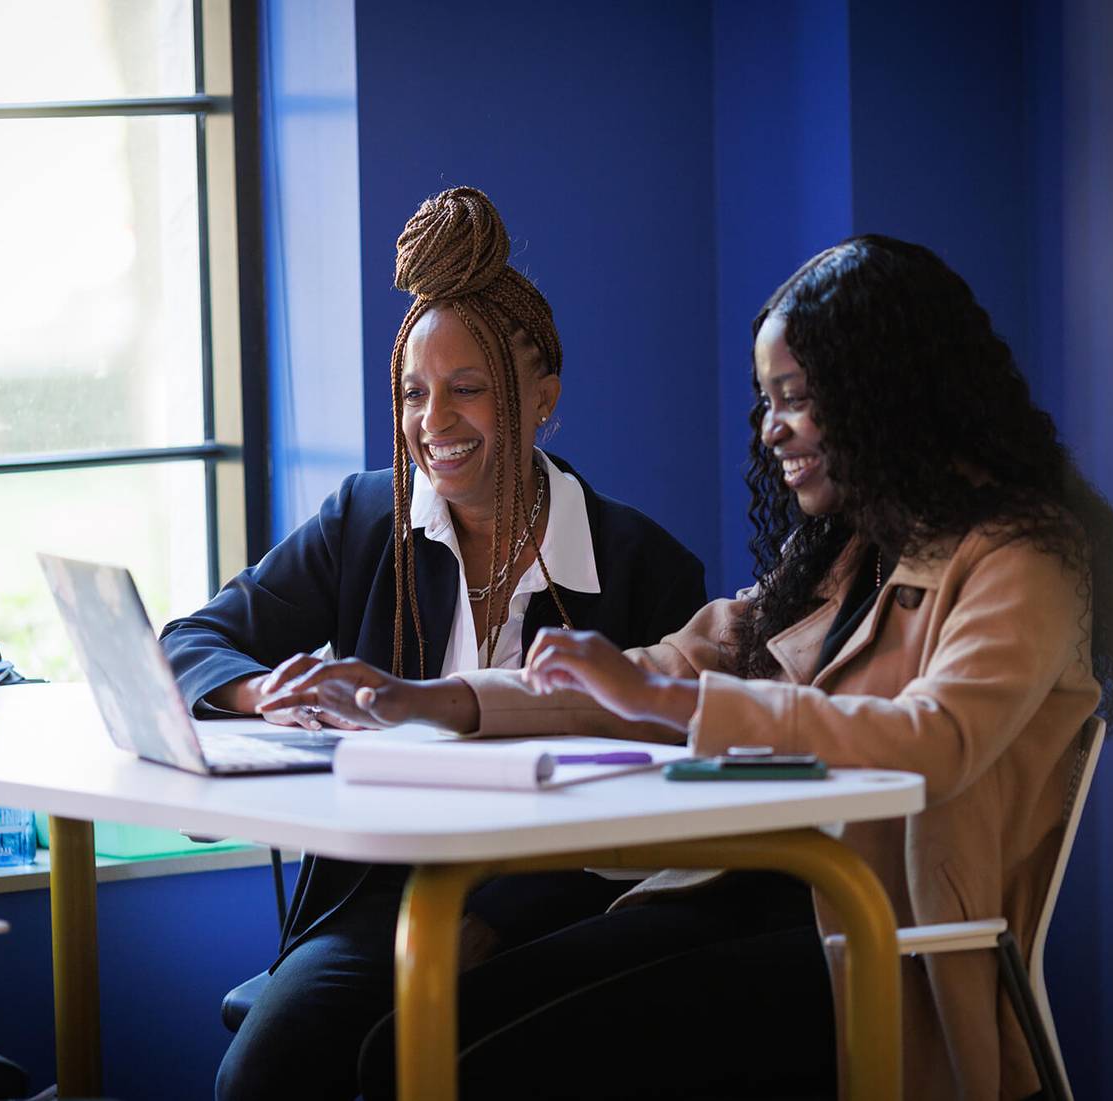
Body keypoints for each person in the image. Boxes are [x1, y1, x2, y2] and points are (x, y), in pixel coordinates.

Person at [268, 235, 1113, 1101]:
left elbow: (936, 738)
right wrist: (426, 699)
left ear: (888, 391)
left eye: (796, 398)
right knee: (400, 1046)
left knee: (470, 1067)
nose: (773, 430)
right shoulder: (845, 555)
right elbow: (662, 665)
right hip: (749, 898)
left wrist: (664, 699)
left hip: (879, 939)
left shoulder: (1022, 560)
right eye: (767, 401)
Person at [158, 186, 707, 1101]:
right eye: (414, 391)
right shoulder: (367, 520)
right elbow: (193, 639)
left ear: (544, 400)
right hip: (385, 895)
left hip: (566, 904)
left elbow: (662, 803)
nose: (432, 422)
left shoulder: (642, 568)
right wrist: (265, 692)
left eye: (467, 390)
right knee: (266, 1070)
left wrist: (492, 914)